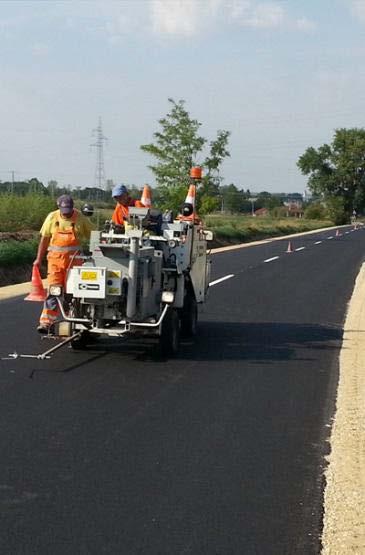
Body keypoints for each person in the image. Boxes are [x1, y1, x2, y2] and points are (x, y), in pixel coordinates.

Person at [33, 194, 93, 333]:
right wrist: (38, 259)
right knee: (54, 291)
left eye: (69, 210)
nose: (67, 213)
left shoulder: (80, 218)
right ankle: (46, 322)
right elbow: (44, 239)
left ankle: (71, 320)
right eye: (64, 211)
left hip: (74, 262)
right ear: (59, 207)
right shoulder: (52, 217)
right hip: (55, 262)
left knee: (71, 293)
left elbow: (94, 235)